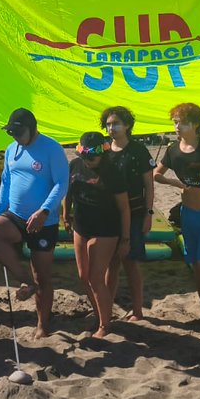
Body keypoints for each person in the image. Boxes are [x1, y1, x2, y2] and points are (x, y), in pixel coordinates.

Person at [0, 107, 70, 338]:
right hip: (16, 215)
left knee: (42, 274)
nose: (14, 137)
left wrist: (44, 210)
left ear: (32, 129)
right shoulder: (12, 149)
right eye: (11, 133)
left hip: (45, 220)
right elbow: (6, 184)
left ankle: (42, 324)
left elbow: (62, 183)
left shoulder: (52, 148)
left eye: (18, 132)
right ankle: (25, 282)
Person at [153, 102, 200, 327]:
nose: (176, 126)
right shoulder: (173, 150)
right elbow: (156, 174)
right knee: (195, 265)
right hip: (187, 214)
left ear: (195, 124)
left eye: (181, 122)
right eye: (174, 122)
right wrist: (175, 182)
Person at [66, 132, 129, 338]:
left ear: (102, 154)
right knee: (83, 277)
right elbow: (69, 192)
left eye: (91, 157)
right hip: (81, 225)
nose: (87, 161)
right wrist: (66, 215)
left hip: (106, 228)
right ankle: (102, 313)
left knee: (95, 278)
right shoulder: (75, 165)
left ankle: (105, 325)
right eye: (84, 156)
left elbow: (124, 209)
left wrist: (125, 239)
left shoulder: (113, 172)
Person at [101, 106, 155, 321]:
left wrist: (149, 214)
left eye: (116, 123)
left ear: (127, 125)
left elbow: (149, 185)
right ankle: (107, 307)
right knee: (110, 263)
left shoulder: (138, 151)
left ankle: (138, 310)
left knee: (130, 262)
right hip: (108, 215)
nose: (111, 128)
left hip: (134, 213)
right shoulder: (104, 151)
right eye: (108, 124)